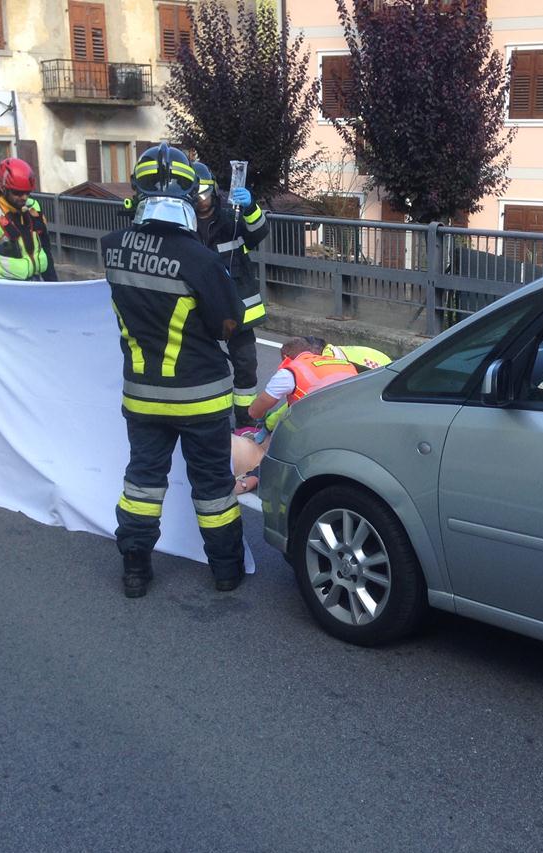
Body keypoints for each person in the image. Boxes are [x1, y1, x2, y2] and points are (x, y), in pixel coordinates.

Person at [101, 142, 247, 598]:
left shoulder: (112, 249)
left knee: (142, 482)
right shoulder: (200, 259)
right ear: (188, 192)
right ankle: (225, 571)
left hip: (141, 396)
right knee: (214, 489)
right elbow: (229, 323)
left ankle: (135, 570)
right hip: (200, 396)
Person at [188, 161, 270, 427]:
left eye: (204, 193)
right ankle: (203, 417)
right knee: (201, 365)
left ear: (213, 191)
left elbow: (259, 233)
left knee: (246, 365)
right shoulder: (183, 224)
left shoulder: (230, 218)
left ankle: (246, 421)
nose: (200, 200)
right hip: (198, 307)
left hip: (236, 308)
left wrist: (250, 208)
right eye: (194, 195)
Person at [0, 157, 58, 281]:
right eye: (17, 193)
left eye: (27, 192)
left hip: (35, 285)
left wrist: (54, 287)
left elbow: (45, 250)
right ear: (3, 188)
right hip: (4, 291)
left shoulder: (34, 208)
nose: (24, 197)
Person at [246, 336, 359, 429]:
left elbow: (255, 411)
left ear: (286, 357)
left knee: (286, 428)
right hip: (352, 420)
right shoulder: (342, 363)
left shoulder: (290, 373)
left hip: (319, 427)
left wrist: (261, 419)